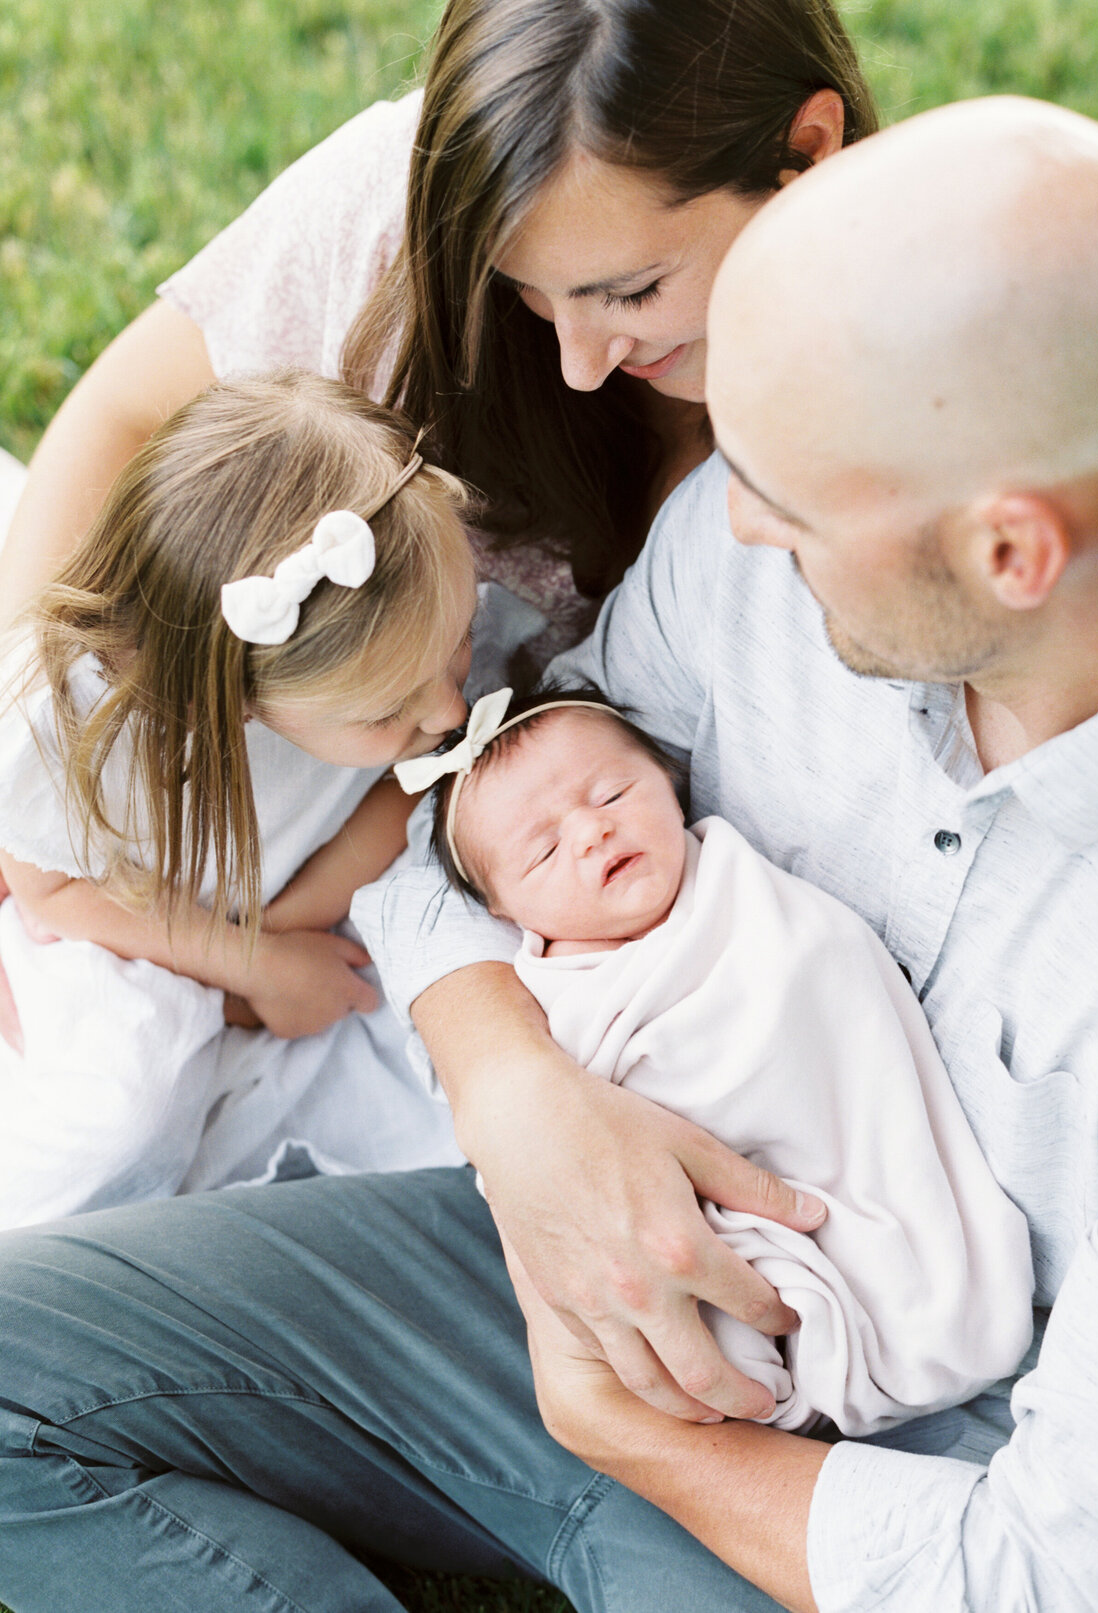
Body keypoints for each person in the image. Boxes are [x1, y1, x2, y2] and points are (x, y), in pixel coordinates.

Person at [2, 91, 1098, 1613]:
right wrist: (513, 1092)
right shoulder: (741, 564)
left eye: (783, 494)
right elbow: (475, 806)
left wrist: (627, 1427)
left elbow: (1067, 1577)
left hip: (884, 1496)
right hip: (527, 1251)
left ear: (1010, 552)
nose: (728, 525)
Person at [0, 0, 875, 1217]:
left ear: (811, 149)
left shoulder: (903, 394)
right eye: (529, 293)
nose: (575, 359)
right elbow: (119, 421)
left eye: (629, 289)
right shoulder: (420, 203)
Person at [407, 685, 1033, 1437]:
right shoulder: (550, 997)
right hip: (703, 1218)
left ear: (670, 785)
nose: (591, 831)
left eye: (612, 792)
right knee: (694, 1293)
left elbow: (829, 988)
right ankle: (746, 1389)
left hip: (838, 1154)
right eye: (542, 851)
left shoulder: (740, 889)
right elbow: (545, 1164)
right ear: (502, 909)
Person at [0, 369, 476, 1226]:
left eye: (461, 644)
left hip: (287, 898)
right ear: (241, 703)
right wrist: (243, 962)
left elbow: (411, 793)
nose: (447, 710)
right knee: (113, 1123)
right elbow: (50, 887)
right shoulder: (72, 732)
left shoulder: (407, 628)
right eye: (389, 708)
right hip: (126, 905)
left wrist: (290, 927)